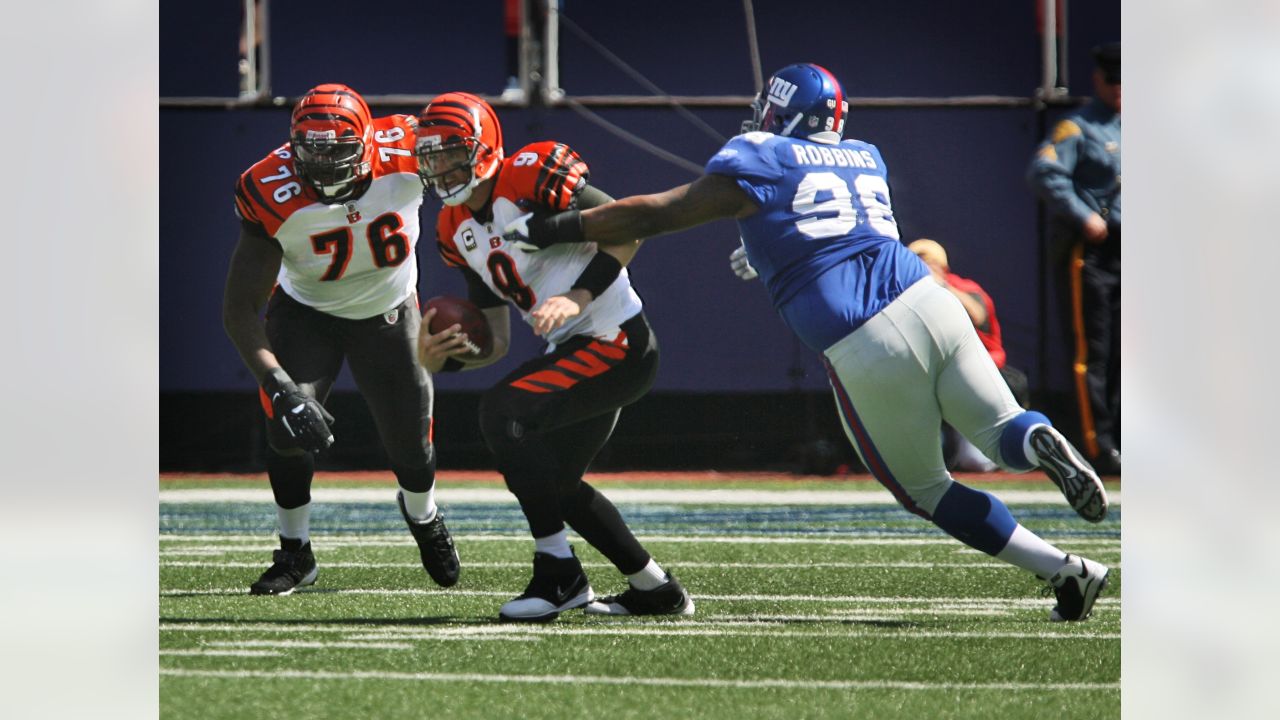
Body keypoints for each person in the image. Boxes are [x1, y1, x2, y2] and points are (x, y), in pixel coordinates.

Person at [508, 63, 1111, 621]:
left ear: (782, 109)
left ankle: (1059, 568)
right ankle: (1046, 470)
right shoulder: (864, 156)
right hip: (931, 301)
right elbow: (838, 229)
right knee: (1003, 435)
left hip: (862, 334)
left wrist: (556, 226)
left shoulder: (759, 154)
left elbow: (656, 214)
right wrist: (768, 246)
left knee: (924, 487)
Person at [413, 92, 692, 622]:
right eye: (432, 157)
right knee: (555, 482)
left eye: (452, 153)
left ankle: (558, 573)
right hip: (574, 349)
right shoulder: (454, 229)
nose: (441, 167)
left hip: (617, 339)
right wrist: (440, 359)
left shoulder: (528, 176)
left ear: (484, 148)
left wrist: (577, 297)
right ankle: (655, 588)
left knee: (501, 414)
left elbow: (629, 224)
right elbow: (494, 340)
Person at [224, 83, 460, 596]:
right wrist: (281, 387)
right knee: (286, 431)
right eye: (314, 152)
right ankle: (294, 552)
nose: (327, 165)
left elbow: (471, 165)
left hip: (391, 312)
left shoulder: (407, 152)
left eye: (339, 152)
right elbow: (240, 308)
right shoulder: (268, 188)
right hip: (307, 313)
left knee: (412, 446)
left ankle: (423, 516)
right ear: (293, 147)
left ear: (368, 143)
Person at [1027, 42, 1121, 475]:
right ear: (1100, 80)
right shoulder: (1078, 127)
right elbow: (1045, 171)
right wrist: (1084, 216)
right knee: (1094, 351)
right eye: (1115, 81)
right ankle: (1099, 447)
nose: (1122, 91)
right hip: (1095, 253)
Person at [908, 238, 1028, 472]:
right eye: (916, 264)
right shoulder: (906, 297)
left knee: (977, 462)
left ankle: (1012, 444)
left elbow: (978, 315)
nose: (922, 270)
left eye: (928, 263)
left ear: (941, 266)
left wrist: (939, 285)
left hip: (981, 375)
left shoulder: (963, 288)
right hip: (936, 381)